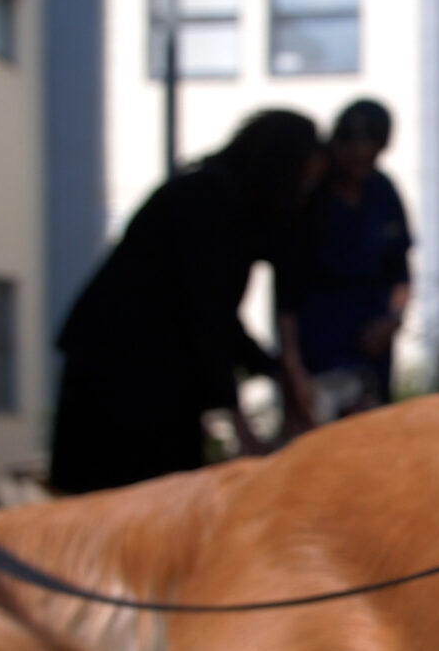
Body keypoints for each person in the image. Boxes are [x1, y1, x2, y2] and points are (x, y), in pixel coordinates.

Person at [49, 110, 322, 494]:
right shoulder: (210, 203)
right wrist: (242, 428)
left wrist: (273, 370)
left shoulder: (221, 199)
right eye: (303, 182)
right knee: (135, 507)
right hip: (124, 377)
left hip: (143, 374)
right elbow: (206, 320)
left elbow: (220, 319)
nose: (301, 196)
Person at [277, 99, 413, 429]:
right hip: (319, 357)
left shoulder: (382, 191)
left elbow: (401, 271)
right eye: (353, 157)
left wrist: (392, 320)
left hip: (371, 359)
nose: (360, 168)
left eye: (371, 157)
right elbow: (285, 296)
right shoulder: (310, 200)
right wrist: (293, 370)